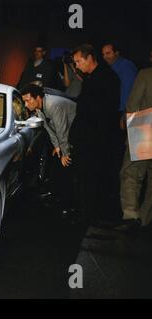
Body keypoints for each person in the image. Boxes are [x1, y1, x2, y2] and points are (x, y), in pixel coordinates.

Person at [70, 43, 121, 223]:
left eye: (78, 61)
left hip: (96, 140)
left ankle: (90, 215)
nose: (77, 65)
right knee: (88, 178)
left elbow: (99, 113)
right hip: (91, 138)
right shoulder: (97, 77)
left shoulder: (105, 78)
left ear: (90, 58)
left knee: (92, 178)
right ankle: (88, 213)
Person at [21, 84, 77, 214]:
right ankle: (59, 196)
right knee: (56, 161)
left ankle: (70, 205)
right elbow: (49, 129)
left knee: (68, 166)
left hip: (78, 130)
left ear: (38, 98)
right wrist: (57, 147)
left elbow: (62, 129)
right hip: (67, 133)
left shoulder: (53, 105)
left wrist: (65, 153)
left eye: (28, 100)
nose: (25, 105)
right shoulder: (40, 109)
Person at [115, 67, 152, 235]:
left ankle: (131, 216)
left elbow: (133, 103)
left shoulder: (146, 74)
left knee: (131, 174)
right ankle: (145, 219)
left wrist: (130, 133)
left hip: (144, 127)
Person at [102, 43, 138, 121]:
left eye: (108, 53)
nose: (105, 57)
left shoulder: (125, 66)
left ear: (116, 53)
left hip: (126, 111)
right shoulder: (112, 67)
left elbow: (128, 90)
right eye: (103, 54)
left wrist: (124, 113)